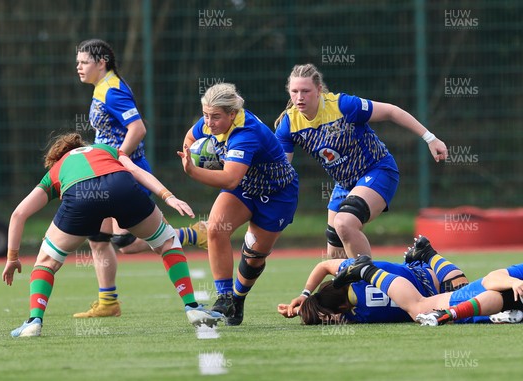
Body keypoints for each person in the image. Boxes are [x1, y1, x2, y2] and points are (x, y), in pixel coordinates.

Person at [1, 133, 222, 337]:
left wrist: (12, 258)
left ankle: (33, 322)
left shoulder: (55, 170)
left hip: (80, 196)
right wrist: (168, 196)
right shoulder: (106, 149)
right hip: (120, 186)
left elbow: (19, 214)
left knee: (47, 262)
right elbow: (135, 171)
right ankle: (192, 307)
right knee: (166, 241)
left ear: (56, 158)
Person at [74, 39, 206, 318]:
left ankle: (192, 234)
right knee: (97, 237)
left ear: (101, 63)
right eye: (78, 62)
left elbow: (138, 128)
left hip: (127, 174)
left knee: (126, 244)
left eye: (84, 62)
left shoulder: (112, 91)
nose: (79, 67)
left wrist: (119, 154)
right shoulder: (102, 87)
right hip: (105, 173)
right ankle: (108, 302)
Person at [274, 63, 448, 260]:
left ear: (319, 90)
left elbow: (391, 111)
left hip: (378, 170)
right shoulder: (289, 124)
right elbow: (282, 170)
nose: (299, 97)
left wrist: (430, 138)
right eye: (294, 91)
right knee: (335, 256)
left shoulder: (343, 106)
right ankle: (354, 288)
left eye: (305, 91)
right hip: (345, 184)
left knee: (345, 223)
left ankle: (374, 281)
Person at [177, 83, 299, 325]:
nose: (209, 123)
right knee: (215, 229)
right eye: (206, 115)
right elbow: (191, 137)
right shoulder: (212, 121)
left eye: (215, 117)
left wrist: (192, 171)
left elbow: (230, 179)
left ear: (232, 114)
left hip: (276, 195)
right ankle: (224, 298)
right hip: (245, 188)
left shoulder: (246, 133)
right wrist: (191, 153)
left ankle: (238, 298)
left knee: (253, 255)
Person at [278, 235, 471, 324]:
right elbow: (323, 266)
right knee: (462, 292)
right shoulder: (348, 270)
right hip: (422, 274)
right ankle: (428, 255)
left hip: (427, 294)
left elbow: (327, 315)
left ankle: (428, 254)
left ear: (342, 308)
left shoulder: (357, 315)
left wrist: (300, 311)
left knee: (461, 301)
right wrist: (305, 295)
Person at [331, 239, 523, 326]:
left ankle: (427, 254)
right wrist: (450, 314)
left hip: (476, 301)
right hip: (475, 299)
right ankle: (367, 271)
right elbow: (492, 281)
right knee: (419, 308)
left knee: (456, 290)